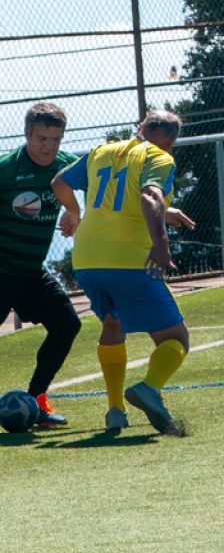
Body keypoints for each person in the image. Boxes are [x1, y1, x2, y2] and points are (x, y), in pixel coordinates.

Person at [52, 110, 195, 434]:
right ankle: (149, 387)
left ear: (140, 128)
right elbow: (149, 195)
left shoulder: (103, 151)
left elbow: (60, 182)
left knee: (112, 324)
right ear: (172, 140)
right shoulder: (159, 157)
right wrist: (161, 244)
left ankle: (115, 411)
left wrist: (74, 212)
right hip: (129, 260)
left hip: (87, 260)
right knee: (175, 338)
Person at [0, 102, 83, 426]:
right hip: (1, 270)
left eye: (55, 140)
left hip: (31, 272)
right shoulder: (7, 169)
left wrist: (74, 212)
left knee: (67, 325)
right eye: (41, 139)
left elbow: (100, 185)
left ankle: (37, 402)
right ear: (27, 134)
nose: (48, 147)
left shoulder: (66, 168)